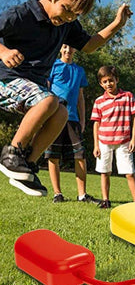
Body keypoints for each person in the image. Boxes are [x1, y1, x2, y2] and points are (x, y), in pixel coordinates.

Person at [0, 0, 132, 197]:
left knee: (61, 111)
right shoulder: (22, 14)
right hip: (5, 79)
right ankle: (11, 155)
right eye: (67, 9)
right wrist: (4, 52)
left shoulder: (67, 24)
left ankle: (27, 164)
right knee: (50, 101)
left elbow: (90, 46)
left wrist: (116, 24)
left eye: (75, 14)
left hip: (30, 87)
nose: (69, 17)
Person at [44, 44, 100, 204]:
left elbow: (81, 98)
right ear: (61, 48)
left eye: (71, 47)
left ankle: (82, 195)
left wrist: (82, 119)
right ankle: (57, 193)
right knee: (53, 156)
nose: (68, 50)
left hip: (73, 119)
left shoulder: (79, 71)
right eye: (65, 47)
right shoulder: (53, 65)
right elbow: (46, 90)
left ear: (75, 50)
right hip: (54, 116)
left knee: (80, 156)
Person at [91, 65, 135, 208]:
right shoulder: (99, 101)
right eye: (105, 82)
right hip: (104, 141)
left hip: (124, 141)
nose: (108, 84)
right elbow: (96, 123)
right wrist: (96, 145)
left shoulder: (128, 96)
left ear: (116, 80)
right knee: (104, 171)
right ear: (101, 84)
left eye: (111, 80)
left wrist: (133, 138)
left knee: (129, 172)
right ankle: (106, 200)